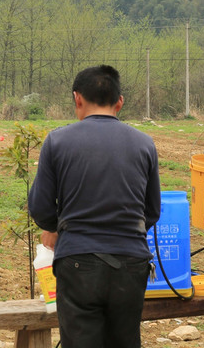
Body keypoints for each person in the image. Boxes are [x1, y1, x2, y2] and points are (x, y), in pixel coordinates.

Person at [28, 65, 161, 348]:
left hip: (78, 263)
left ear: (77, 98)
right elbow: (151, 211)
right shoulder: (144, 144)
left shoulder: (57, 141)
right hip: (130, 263)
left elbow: (40, 208)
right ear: (120, 102)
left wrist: (57, 228)